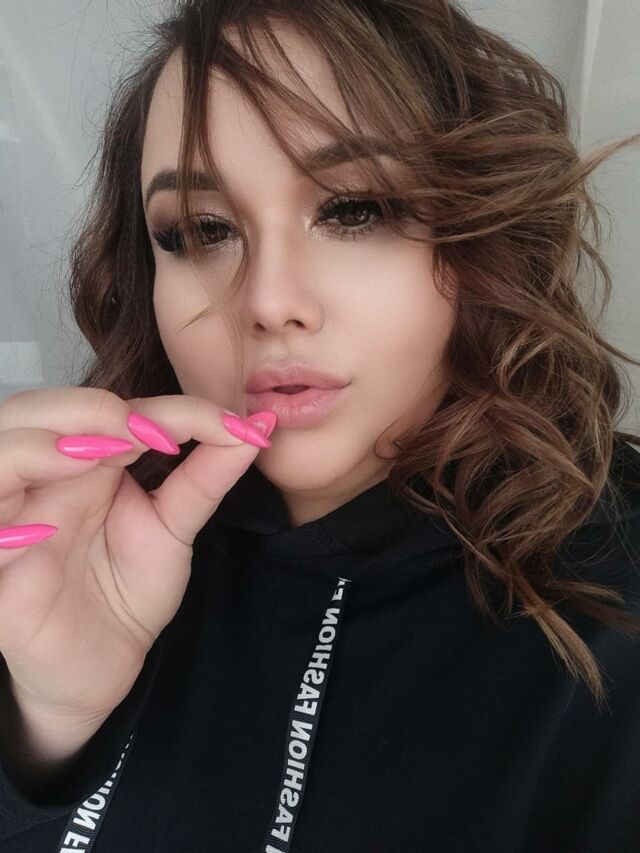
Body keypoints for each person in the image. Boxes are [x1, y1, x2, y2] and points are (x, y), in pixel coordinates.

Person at [0, 1, 639, 850]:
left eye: (354, 209)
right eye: (201, 230)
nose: (269, 302)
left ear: (482, 235)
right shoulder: (65, 541)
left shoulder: (615, 604)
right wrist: (45, 718)